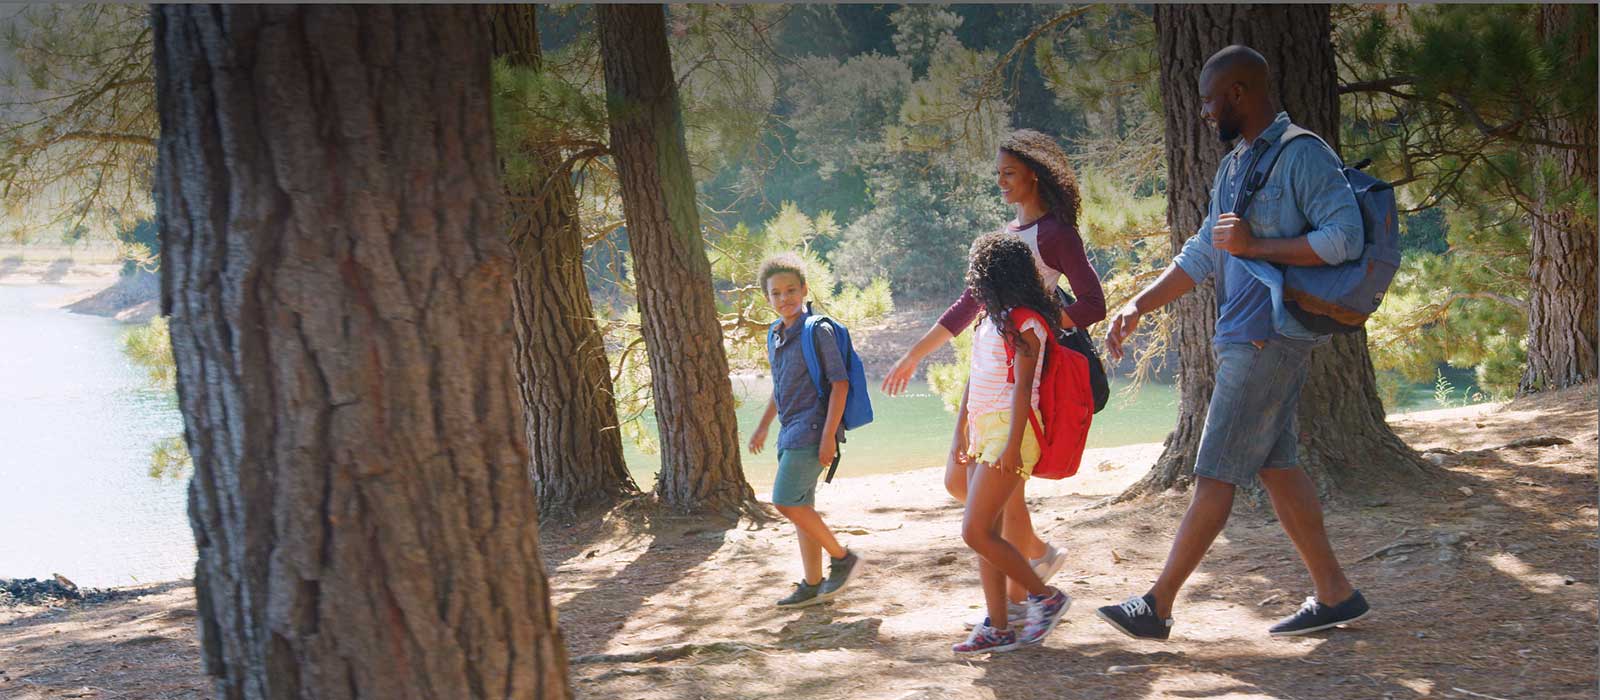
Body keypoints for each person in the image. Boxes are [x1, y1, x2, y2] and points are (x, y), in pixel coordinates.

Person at [1095, 45, 1371, 641]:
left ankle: (1158, 606)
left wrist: (1258, 246)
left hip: (1269, 337)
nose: (1203, 113)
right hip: (1242, 337)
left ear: (1239, 94)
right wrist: (1138, 303)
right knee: (1279, 468)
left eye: (1209, 100)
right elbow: (1203, 252)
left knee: (1215, 475)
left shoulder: (1303, 154)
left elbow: (1345, 238)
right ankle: (1335, 594)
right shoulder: (1235, 166)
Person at [883, 129, 1105, 613]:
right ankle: (1033, 564)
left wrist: (1038, 326)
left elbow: (1092, 303)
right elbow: (968, 305)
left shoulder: (1057, 234)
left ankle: (1022, 593)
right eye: (998, 174)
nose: (1001, 182)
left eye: (1008, 173)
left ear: (1033, 175)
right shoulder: (1006, 237)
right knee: (962, 483)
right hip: (991, 378)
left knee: (984, 496)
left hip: (1023, 378)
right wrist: (915, 354)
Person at [950, 232, 1074, 654]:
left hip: (1011, 433)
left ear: (990, 276)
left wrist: (1010, 445)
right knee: (987, 532)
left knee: (974, 530)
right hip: (984, 430)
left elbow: (1023, 389)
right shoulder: (989, 319)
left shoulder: (1027, 321)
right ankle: (998, 626)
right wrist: (961, 432)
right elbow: (974, 378)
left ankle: (1045, 596)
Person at [749, 253, 862, 608]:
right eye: (776, 293)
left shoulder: (819, 330)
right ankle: (812, 584)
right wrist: (764, 426)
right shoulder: (775, 334)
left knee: (784, 500)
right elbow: (780, 388)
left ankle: (842, 558)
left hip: (814, 429)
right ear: (767, 298)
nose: (785, 298)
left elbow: (839, 385)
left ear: (805, 290)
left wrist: (829, 436)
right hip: (789, 431)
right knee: (802, 508)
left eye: (791, 290)